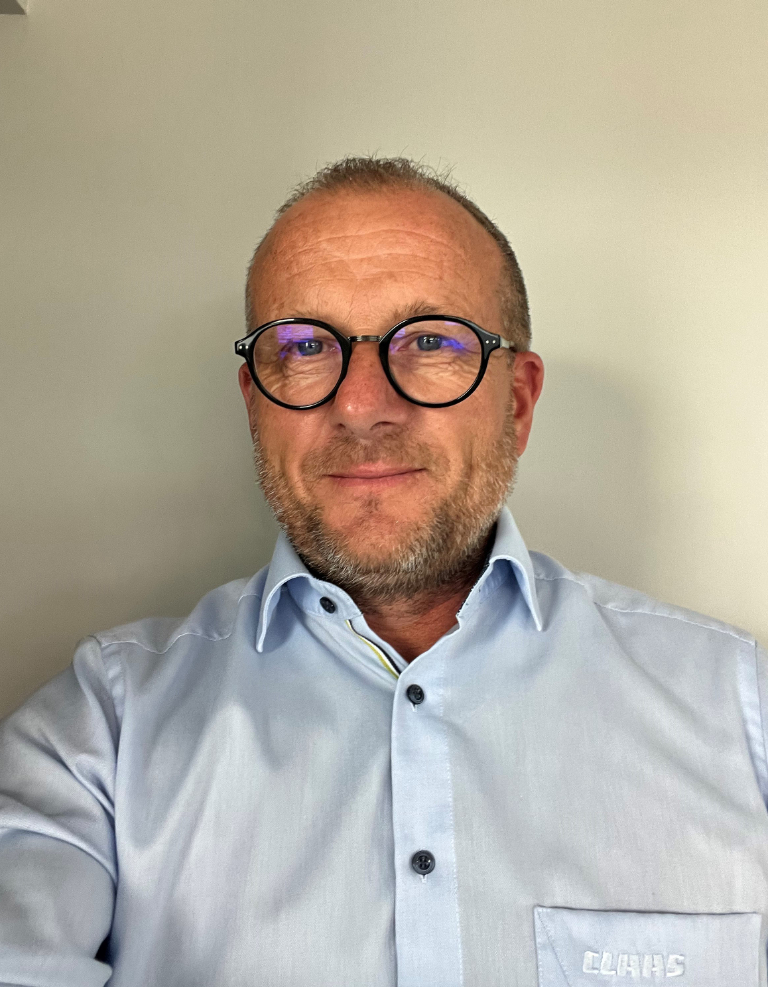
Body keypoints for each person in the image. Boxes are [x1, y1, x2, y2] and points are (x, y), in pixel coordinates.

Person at [1, 157, 766, 987]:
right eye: (304, 347)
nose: (362, 405)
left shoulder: (738, 708)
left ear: (516, 401)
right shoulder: (102, 730)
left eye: (431, 341)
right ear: (255, 404)